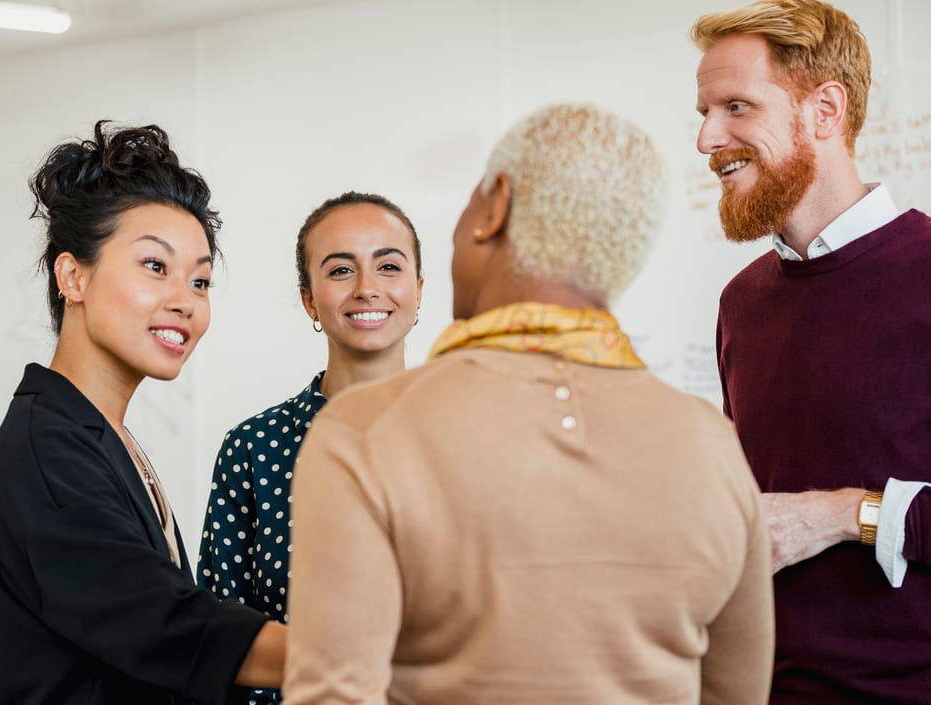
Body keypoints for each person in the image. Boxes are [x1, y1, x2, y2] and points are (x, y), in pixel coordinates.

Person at [281, 104, 774, 705]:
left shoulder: (364, 430)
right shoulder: (711, 444)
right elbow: (736, 694)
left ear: (494, 206)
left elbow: (333, 695)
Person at [0, 121, 285, 705]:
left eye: (201, 280)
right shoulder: (46, 457)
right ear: (74, 276)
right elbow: (167, 624)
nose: (185, 300)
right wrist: (365, 654)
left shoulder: (97, 434)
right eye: (155, 267)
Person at [693, 1, 931, 701]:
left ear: (825, 109)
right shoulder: (740, 304)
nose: (708, 138)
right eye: (704, 111)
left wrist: (844, 514)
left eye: (736, 106)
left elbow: (803, 519)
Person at [197, 192, 423, 705]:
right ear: (309, 299)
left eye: (388, 266)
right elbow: (219, 639)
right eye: (340, 271)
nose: (368, 289)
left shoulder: (467, 436)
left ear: (418, 290)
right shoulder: (253, 449)